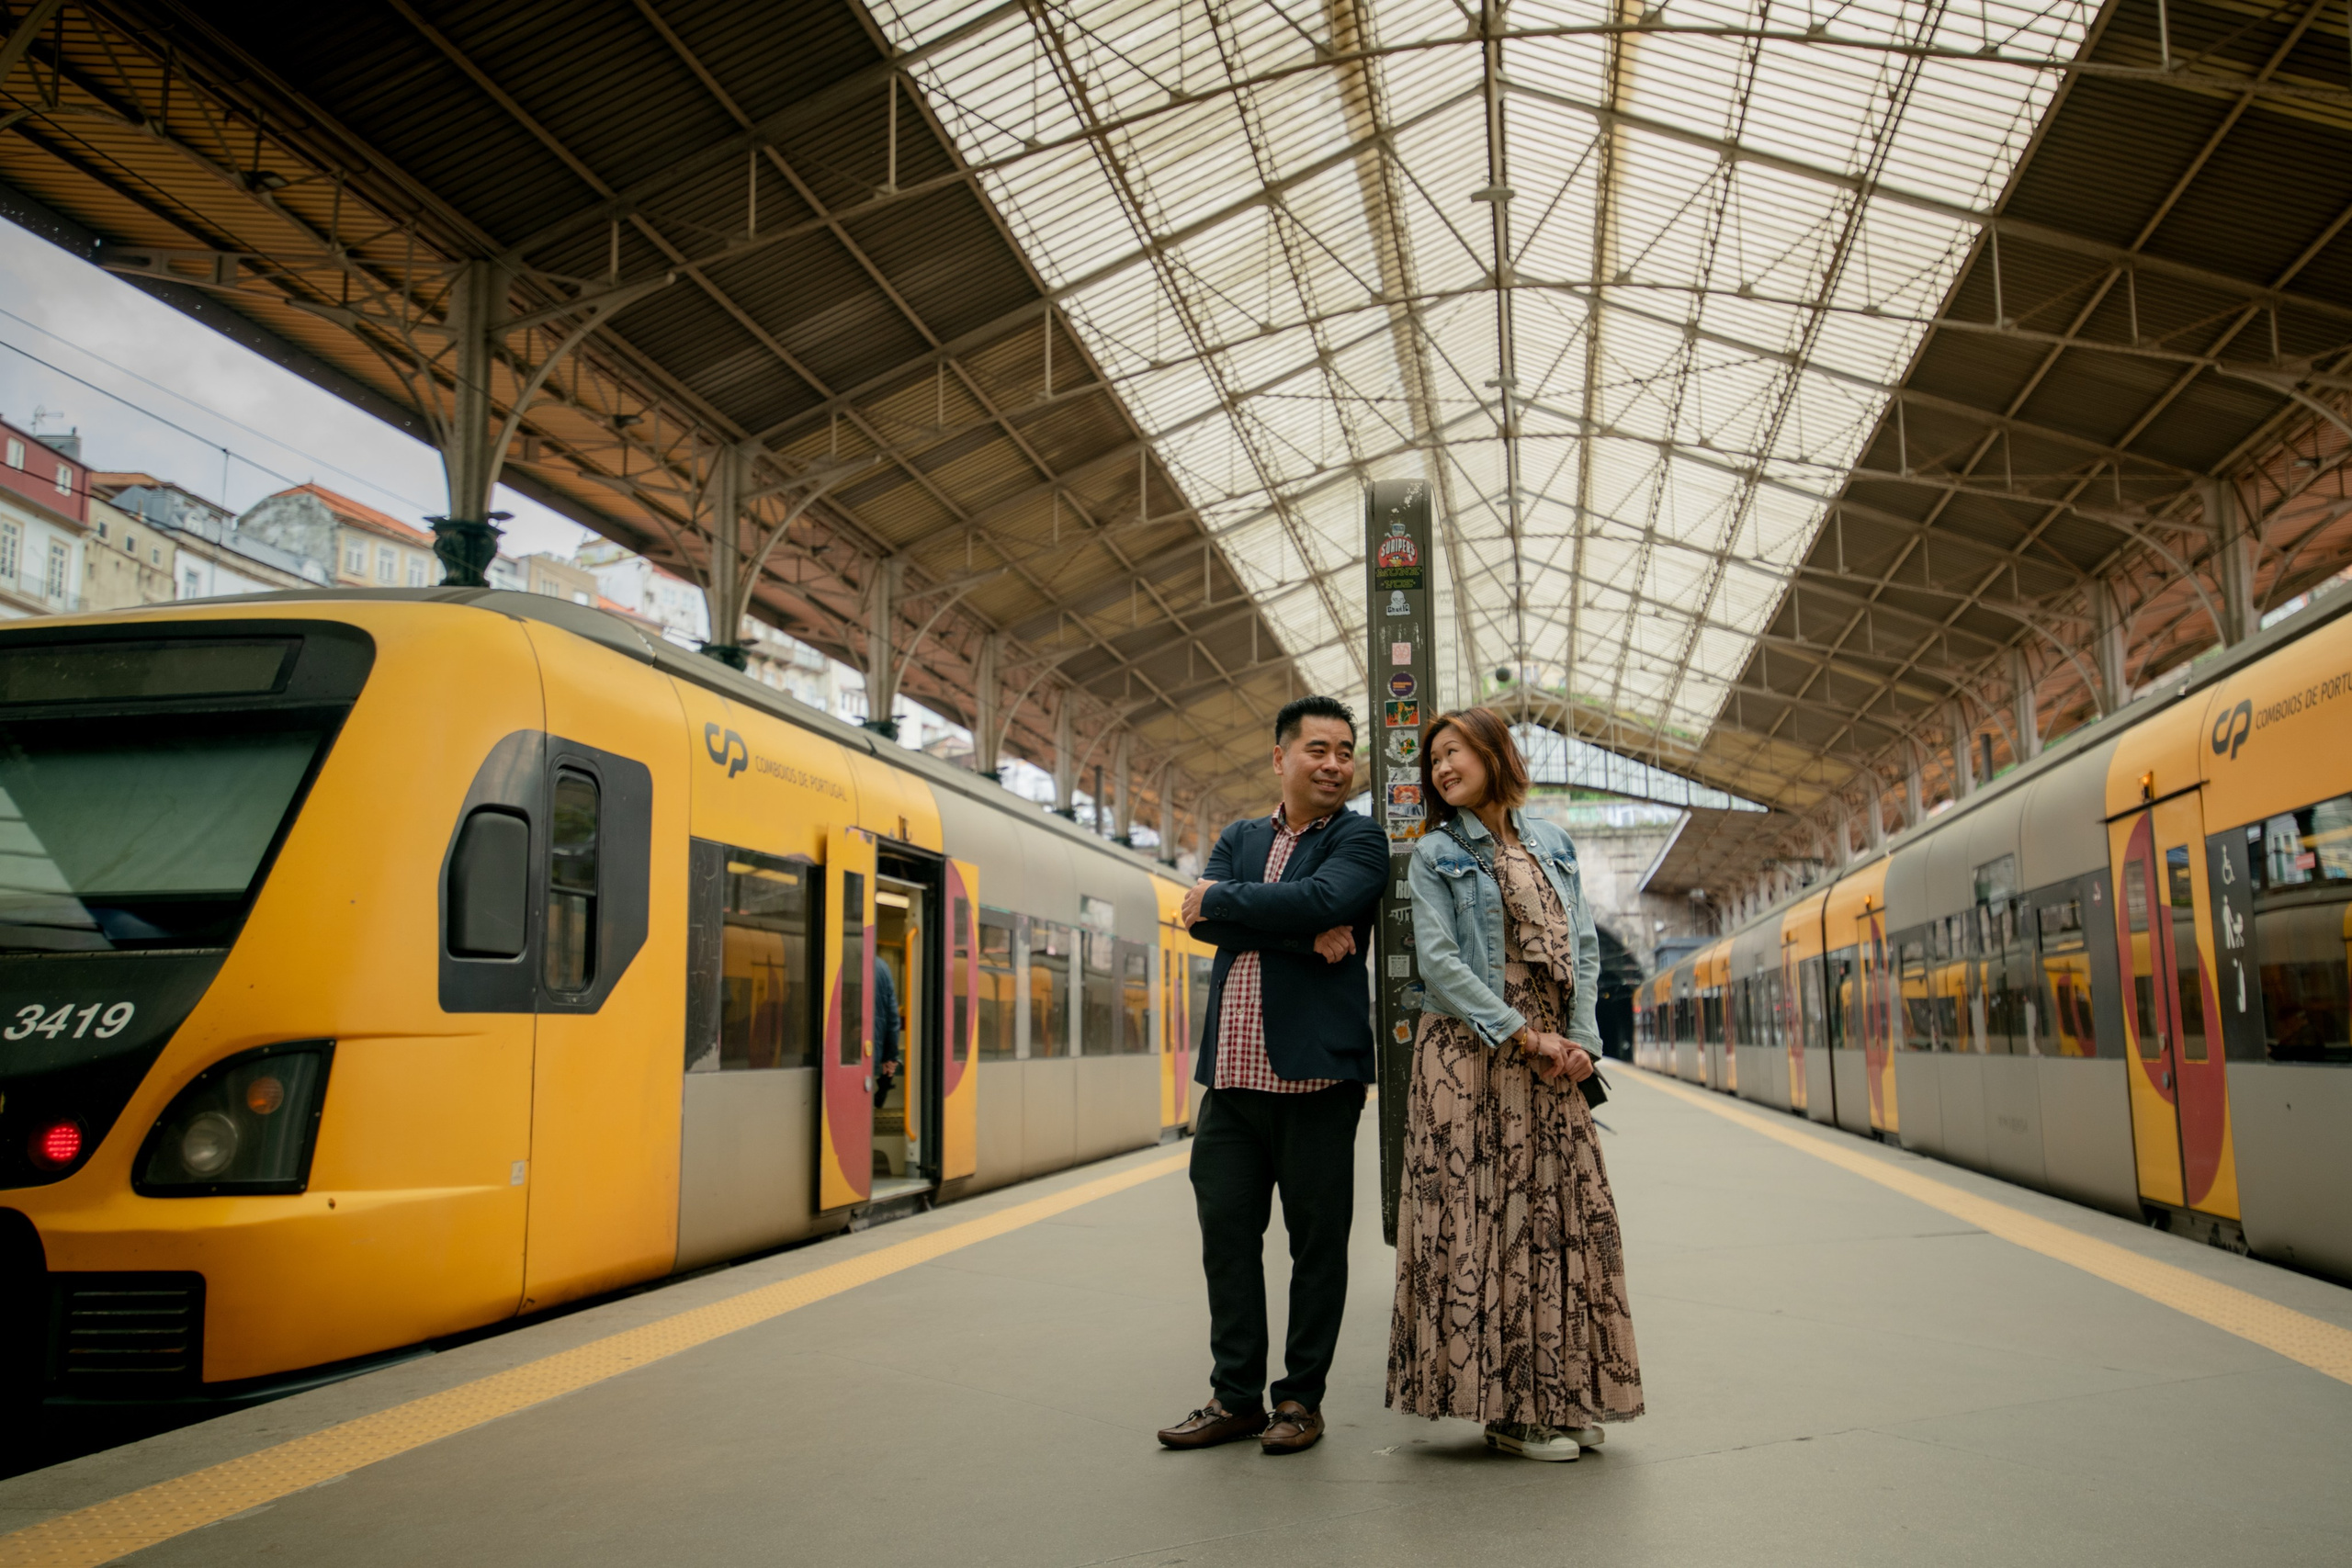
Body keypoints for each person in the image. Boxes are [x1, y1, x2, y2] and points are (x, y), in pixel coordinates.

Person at [1386, 706, 1644, 1461]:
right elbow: (1439, 962)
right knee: (1488, 1220)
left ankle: (1559, 1394)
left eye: (1454, 751)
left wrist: (1583, 1042)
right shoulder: (1434, 853)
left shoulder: (1554, 843)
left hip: (1552, 1057)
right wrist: (1523, 1035)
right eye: (1433, 759)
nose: (1441, 767)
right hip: (1471, 1057)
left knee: (1558, 1218)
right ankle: (1509, 1411)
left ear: (1496, 753)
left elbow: (1585, 948)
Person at [1156, 694, 1388, 1456]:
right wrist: (1298, 935)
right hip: (1231, 1083)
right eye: (1319, 749)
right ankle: (1235, 1397)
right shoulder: (1241, 836)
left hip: (1317, 1083)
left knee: (1316, 1248)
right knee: (1227, 1240)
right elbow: (1203, 923)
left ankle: (1299, 1399)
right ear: (1281, 757)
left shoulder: (1360, 838)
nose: (1335, 764)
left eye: (1346, 751)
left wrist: (1229, 901)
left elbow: (1327, 899)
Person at [872, 954, 901, 1109]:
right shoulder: (882, 968)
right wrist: (890, 1058)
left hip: (844, 1054)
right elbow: (893, 1019)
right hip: (870, 1054)